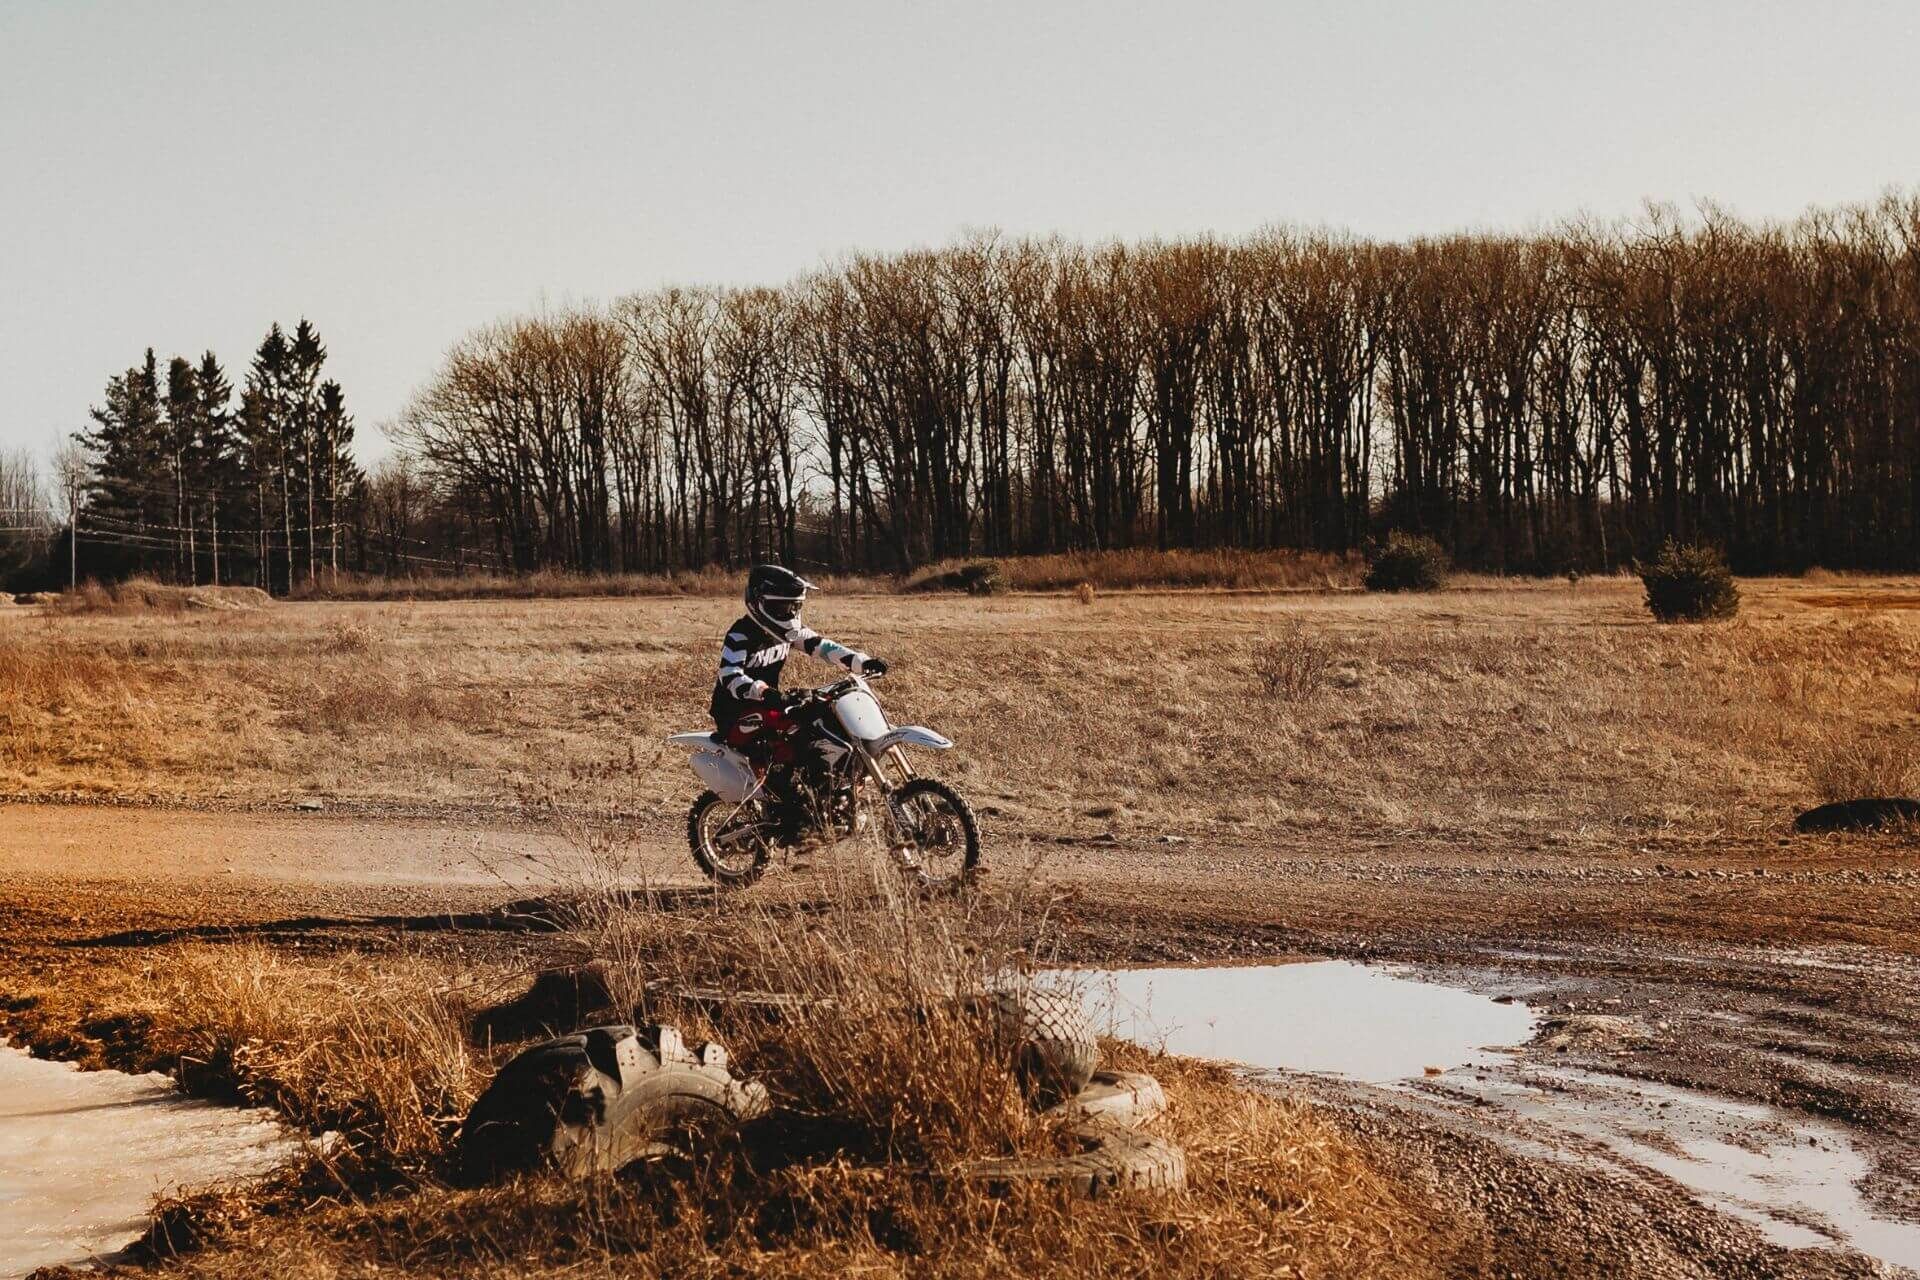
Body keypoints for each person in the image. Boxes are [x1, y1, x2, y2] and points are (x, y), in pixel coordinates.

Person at [710, 564, 888, 828]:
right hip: (736, 712)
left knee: (825, 721)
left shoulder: (788, 632)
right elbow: (730, 675)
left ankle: (829, 796)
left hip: (769, 704)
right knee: (799, 738)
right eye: (783, 608)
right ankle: (793, 811)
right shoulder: (741, 634)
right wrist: (763, 691)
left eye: (795, 607)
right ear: (760, 604)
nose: (790, 613)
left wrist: (861, 662)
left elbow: (822, 646)